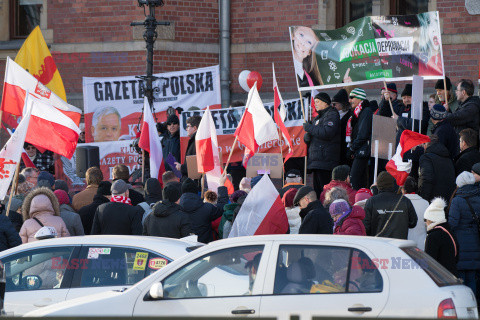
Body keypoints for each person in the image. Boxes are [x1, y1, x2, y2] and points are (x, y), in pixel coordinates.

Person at [303, 92, 341, 196]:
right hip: (317, 161)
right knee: (318, 191)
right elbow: (315, 134)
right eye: (315, 102)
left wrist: (310, 128)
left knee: (325, 192)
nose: (315, 104)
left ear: (325, 103)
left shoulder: (332, 114)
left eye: (317, 102)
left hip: (326, 161)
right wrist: (307, 137)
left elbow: (327, 132)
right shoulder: (317, 118)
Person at [449, 169, 480, 292]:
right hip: (475, 241)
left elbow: (453, 223)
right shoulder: (478, 198)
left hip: (460, 243)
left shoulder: (457, 200)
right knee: (472, 277)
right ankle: (473, 305)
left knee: (461, 278)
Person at [363, 171, 417, 239]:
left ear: (378, 185)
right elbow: (413, 223)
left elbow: (365, 227)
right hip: (399, 245)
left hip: (378, 245)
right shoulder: (404, 200)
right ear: (393, 183)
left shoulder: (371, 201)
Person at [179, 177, 228, 243]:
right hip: (204, 248)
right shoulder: (207, 208)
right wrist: (222, 185)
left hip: (183, 250)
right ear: (196, 191)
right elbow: (222, 207)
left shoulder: (176, 210)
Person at [347, 88, 373, 190]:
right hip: (359, 151)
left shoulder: (366, 112)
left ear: (360, 98)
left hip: (363, 152)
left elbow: (363, 134)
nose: (349, 100)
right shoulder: (357, 113)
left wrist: (352, 148)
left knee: (354, 181)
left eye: (352, 97)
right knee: (358, 181)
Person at [425, 198, 458, 275]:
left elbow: (429, 262)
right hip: (452, 275)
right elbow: (457, 257)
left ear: (431, 219)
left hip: (440, 277)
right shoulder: (449, 232)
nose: (425, 222)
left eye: (426, 219)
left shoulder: (432, 236)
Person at [418, 135, 456, 202]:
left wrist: (423, 200)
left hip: (432, 202)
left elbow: (426, 179)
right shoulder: (448, 159)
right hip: (447, 200)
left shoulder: (426, 158)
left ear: (426, 145)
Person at [401, 176, 428, 250]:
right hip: (421, 246)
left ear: (403, 189)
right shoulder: (425, 203)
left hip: (404, 246)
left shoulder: (400, 203)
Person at [418, 11, 443, 76]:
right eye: (428, 22)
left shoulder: (441, 59)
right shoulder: (421, 62)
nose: (434, 29)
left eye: (436, 20)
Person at [331, 89, 352, 165]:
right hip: (335, 150)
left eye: (335, 104)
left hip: (345, 150)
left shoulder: (350, 115)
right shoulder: (332, 115)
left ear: (342, 104)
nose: (333, 106)